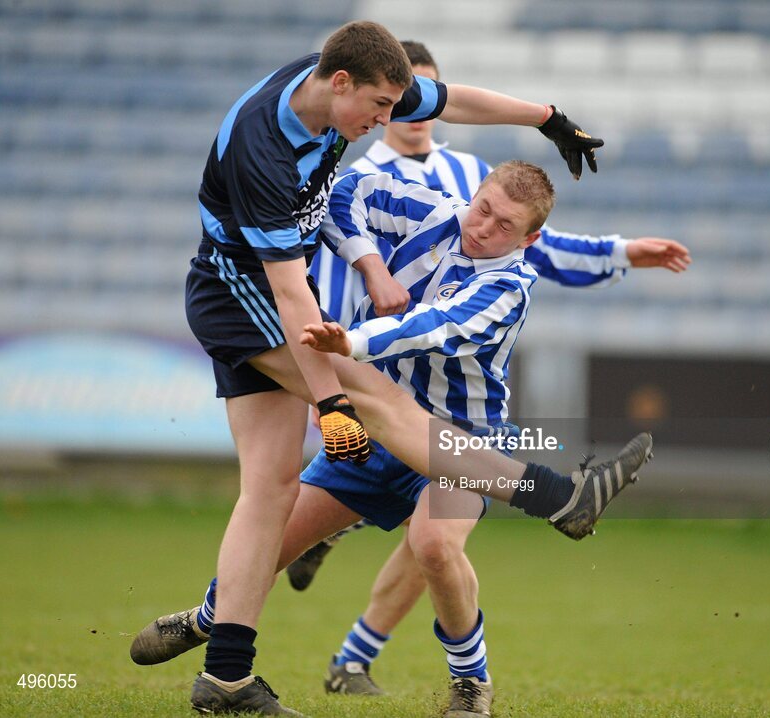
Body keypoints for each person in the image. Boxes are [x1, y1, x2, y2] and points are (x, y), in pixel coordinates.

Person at [134, 20, 640, 717]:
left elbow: (451, 100)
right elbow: (289, 293)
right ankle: (558, 496)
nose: (385, 125)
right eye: (377, 110)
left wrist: (547, 118)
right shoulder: (264, 153)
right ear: (338, 83)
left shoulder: (345, 86)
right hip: (245, 299)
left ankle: (224, 676)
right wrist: (332, 402)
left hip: (287, 315)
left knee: (270, 492)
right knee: (374, 403)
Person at [282, 40, 691, 698]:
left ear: (438, 102)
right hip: (371, 386)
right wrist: (329, 368)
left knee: (434, 544)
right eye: (396, 99)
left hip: (450, 409)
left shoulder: (473, 177)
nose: (408, 110)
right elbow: (328, 253)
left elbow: (533, 242)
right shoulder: (366, 173)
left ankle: (384, 663)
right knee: (371, 521)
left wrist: (618, 252)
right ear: (377, 106)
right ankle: (248, 626)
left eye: (422, 96)